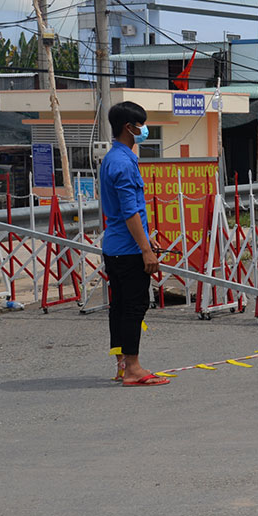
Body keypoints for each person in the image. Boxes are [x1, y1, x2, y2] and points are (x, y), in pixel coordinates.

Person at [99, 100, 168, 386]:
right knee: (134, 307)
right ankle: (133, 368)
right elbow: (130, 211)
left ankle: (122, 364)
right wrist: (146, 250)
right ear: (129, 127)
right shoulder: (124, 163)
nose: (144, 130)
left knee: (120, 306)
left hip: (114, 246)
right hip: (128, 249)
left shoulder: (112, 158)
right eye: (141, 125)